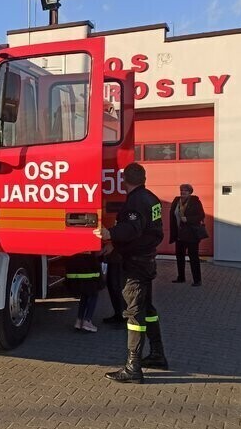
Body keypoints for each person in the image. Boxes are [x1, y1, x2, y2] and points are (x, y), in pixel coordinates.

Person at [100, 162, 167, 384]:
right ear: (144, 178)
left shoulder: (135, 201)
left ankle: (133, 367)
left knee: (134, 313)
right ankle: (157, 354)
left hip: (135, 266)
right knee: (148, 309)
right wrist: (115, 246)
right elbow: (146, 231)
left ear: (124, 180)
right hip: (147, 260)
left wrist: (109, 233)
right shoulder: (151, 198)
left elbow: (132, 229)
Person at [169, 183, 206, 287]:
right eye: (181, 190)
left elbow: (201, 215)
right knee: (179, 257)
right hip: (179, 234)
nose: (183, 192)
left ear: (190, 192)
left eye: (185, 190)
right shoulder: (176, 200)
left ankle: (197, 280)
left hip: (191, 235)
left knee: (193, 257)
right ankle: (181, 277)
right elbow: (172, 215)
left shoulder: (195, 201)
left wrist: (188, 219)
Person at [65, 252, 103, 333]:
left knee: (84, 295)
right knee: (93, 295)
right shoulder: (91, 246)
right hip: (90, 270)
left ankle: (79, 321)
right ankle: (87, 321)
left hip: (78, 268)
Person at [102, 249, 127, 324]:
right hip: (112, 258)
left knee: (117, 286)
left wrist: (113, 244)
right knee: (112, 285)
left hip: (119, 258)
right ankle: (118, 314)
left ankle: (123, 315)